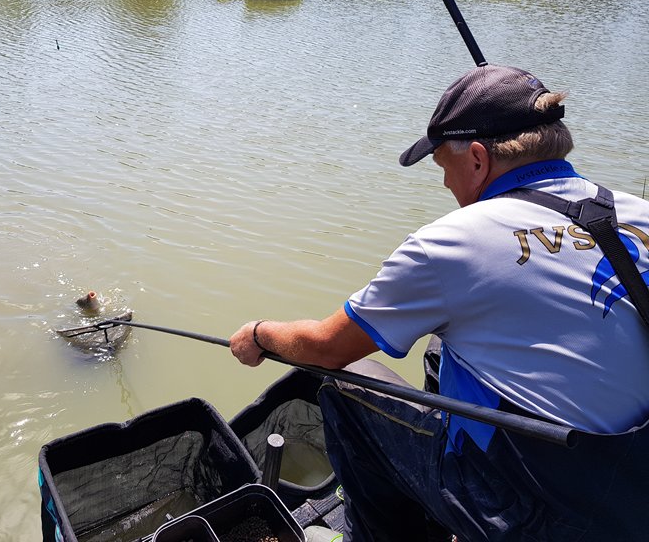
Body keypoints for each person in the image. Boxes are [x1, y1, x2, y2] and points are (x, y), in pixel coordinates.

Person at [229, 64, 649, 541]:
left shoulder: (454, 243)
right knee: (439, 343)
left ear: (476, 158)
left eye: (443, 168)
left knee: (348, 383)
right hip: (632, 494)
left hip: (537, 515)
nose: (447, 186)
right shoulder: (634, 211)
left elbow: (327, 347)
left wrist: (260, 333)